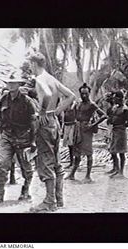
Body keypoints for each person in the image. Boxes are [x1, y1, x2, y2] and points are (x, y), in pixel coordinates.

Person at [28, 52, 76, 212]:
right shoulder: (51, 78)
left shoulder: (40, 79)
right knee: (56, 161)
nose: (30, 67)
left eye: (30, 64)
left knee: (46, 160)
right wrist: (56, 111)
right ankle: (59, 199)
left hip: (44, 123)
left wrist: (43, 111)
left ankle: (50, 202)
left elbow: (47, 94)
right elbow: (71, 96)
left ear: (34, 64)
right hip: (54, 122)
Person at [0, 71, 37, 206]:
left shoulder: (27, 101)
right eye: (9, 83)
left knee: (26, 167)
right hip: (6, 135)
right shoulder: (3, 99)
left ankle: (25, 190)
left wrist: (33, 141)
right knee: (1, 165)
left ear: (18, 84)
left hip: (22, 137)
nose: (10, 85)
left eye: (13, 83)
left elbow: (33, 122)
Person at [66, 83, 107, 183]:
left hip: (86, 130)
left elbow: (104, 115)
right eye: (82, 94)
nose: (84, 96)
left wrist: (92, 125)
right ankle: (72, 174)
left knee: (88, 152)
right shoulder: (79, 103)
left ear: (89, 93)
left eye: (86, 94)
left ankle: (88, 176)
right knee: (77, 152)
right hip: (78, 128)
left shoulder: (92, 104)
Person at [108, 90, 128, 178]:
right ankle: (116, 168)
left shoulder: (125, 109)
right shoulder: (115, 107)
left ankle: (121, 171)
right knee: (113, 151)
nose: (114, 99)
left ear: (120, 98)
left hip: (121, 131)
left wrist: (121, 125)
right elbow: (111, 117)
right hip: (114, 130)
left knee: (121, 152)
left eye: (115, 98)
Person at [62, 100, 77, 168]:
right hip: (66, 125)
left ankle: (74, 162)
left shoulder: (74, 106)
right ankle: (71, 162)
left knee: (72, 144)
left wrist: (73, 103)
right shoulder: (65, 107)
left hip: (72, 125)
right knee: (69, 145)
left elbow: (71, 109)